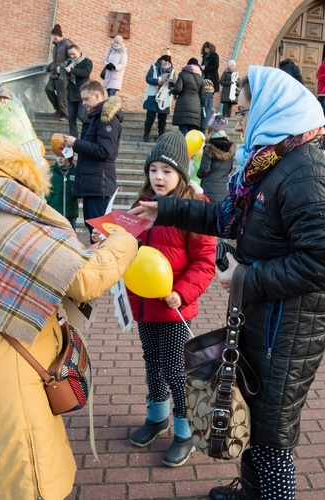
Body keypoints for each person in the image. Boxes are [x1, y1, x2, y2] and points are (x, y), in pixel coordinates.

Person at [130, 66, 325, 500]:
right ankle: (252, 491)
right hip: (268, 314)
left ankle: (271, 495)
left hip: (288, 325)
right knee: (252, 406)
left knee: (272, 427)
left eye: (247, 111)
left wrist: (244, 277)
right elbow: (227, 217)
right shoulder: (272, 164)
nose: (240, 120)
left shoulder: (304, 173)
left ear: (274, 110)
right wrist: (167, 209)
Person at [0, 90, 138, 499]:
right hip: (5, 364)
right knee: (25, 478)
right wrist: (124, 239)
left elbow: (41, 264)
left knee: (5, 463)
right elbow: (84, 279)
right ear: (10, 158)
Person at [105, 131, 216, 467]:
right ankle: (158, 416)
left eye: (167, 171)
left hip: (174, 307)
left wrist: (181, 293)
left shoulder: (195, 209)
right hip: (143, 304)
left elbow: (204, 261)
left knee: (174, 368)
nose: (158, 177)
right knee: (152, 361)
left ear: (181, 174)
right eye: (153, 170)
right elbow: (127, 249)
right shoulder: (140, 206)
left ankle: (185, 432)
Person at [63, 81, 122, 230]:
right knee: (94, 229)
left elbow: (105, 151)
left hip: (99, 185)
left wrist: (76, 143)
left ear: (97, 96)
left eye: (86, 99)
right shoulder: (95, 118)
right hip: (93, 184)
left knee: (99, 231)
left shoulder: (107, 119)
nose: (83, 103)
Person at [198, 115, 236, 203]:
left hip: (209, 188)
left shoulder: (209, 146)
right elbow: (230, 169)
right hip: (224, 188)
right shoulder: (231, 147)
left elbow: (205, 169)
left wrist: (199, 174)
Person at [46, 134, 79, 231]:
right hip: (55, 212)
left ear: (69, 158)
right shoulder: (50, 171)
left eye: (62, 156)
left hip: (71, 212)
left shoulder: (76, 172)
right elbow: (46, 190)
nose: (59, 159)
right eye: (57, 156)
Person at [142, 52, 175, 143]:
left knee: (162, 119)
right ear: (161, 60)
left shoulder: (172, 71)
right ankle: (146, 134)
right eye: (165, 61)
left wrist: (170, 83)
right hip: (153, 95)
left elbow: (174, 83)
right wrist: (157, 81)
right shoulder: (154, 67)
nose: (166, 63)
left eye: (168, 62)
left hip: (164, 97)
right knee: (150, 117)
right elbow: (148, 78)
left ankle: (160, 136)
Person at [64, 44, 93, 137]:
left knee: (81, 115)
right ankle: (74, 139)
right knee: (71, 118)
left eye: (74, 54)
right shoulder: (70, 63)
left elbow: (85, 73)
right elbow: (67, 76)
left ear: (79, 52)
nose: (72, 56)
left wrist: (71, 70)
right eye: (70, 55)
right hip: (71, 93)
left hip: (82, 94)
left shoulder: (87, 62)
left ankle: (92, 130)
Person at [171, 58, 205, 136]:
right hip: (196, 107)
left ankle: (183, 147)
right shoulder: (200, 78)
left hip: (183, 105)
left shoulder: (183, 74)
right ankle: (190, 147)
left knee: (183, 131)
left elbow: (178, 89)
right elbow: (202, 95)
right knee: (192, 133)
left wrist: (171, 91)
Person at [44, 24, 71, 121]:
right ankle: (58, 109)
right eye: (53, 36)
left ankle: (64, 115)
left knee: (61, 94)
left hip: (62, 74)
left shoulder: (66, 44)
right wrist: (48, 67)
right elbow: (55, 61)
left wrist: (62, 66)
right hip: (53, 73)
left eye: (55, 35)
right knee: (48, 89)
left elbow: (70, 58)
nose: (54, 37)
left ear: (60, 35)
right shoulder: (55, 47)